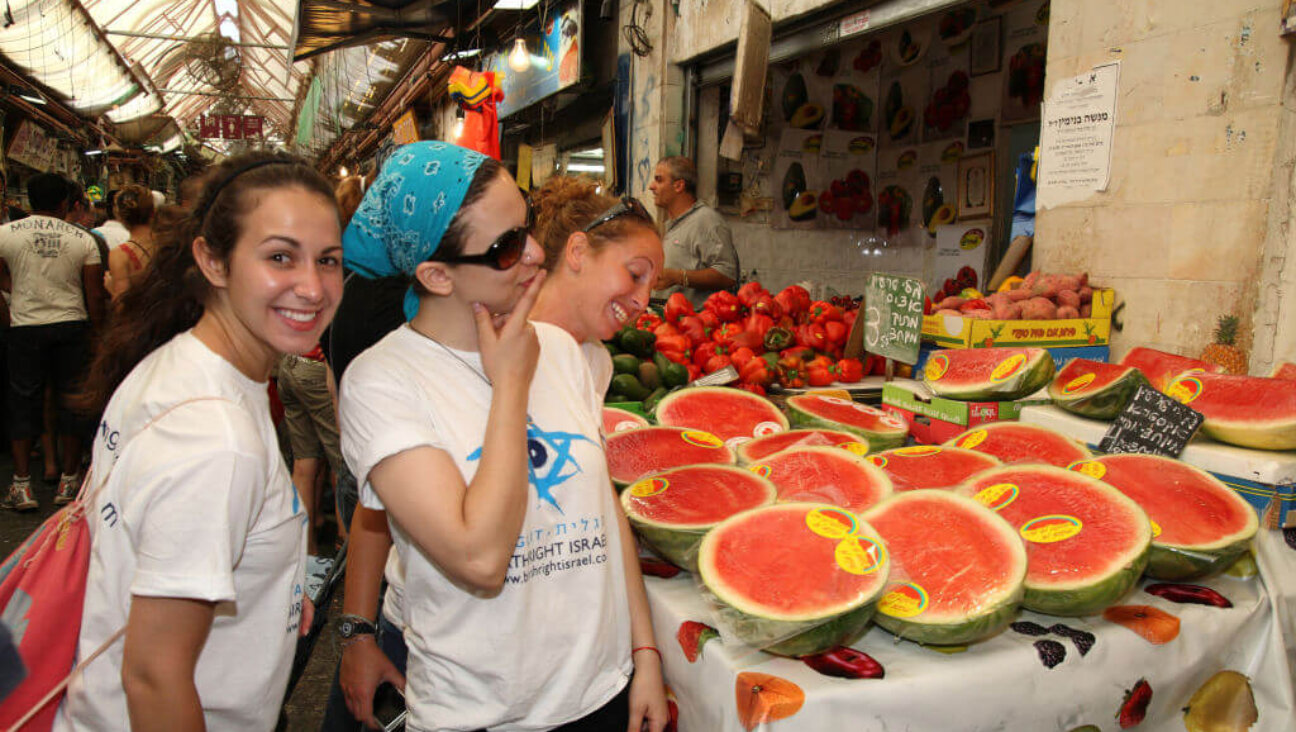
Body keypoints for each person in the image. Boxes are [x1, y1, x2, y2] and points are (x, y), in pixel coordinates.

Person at [336, 142, 668, 732]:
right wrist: (510, 385)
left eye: (528, 229)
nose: (536, 254)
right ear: (437, 275)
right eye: (507, 247)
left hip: (599, 694)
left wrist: (644, 653)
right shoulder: (382, 381)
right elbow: (481, 558)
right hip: (483, 715)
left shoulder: (565, 352)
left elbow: (602, 513)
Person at [56, 151, 342, 731]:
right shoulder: (217, 439)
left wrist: (271, 594)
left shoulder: (182, 364)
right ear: (212, 261)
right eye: (280, 257)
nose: (312, 287)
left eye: (329, 260)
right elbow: (155, 677)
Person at [0, 173, 105, 510]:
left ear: (30, 200)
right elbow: (93, 295)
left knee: (23, 401)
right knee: (70, 400)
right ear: (64, 203)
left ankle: (22, 485)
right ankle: (69, 482)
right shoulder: (82, 240)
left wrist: (12, 313)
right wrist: (99, 333)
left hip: (24, 328)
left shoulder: (4, 236)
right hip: (71, 326)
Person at [648, 155, 739, 307]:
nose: (652, 186)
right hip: (668, 321)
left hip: (695, 324)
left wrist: (678, 277)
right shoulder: (672, 224)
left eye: (659, 180)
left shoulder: (706, 220)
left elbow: (727, 274)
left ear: (679, 186)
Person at [104, 185, 157, 300]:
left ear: (119, 215)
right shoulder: (170, 244)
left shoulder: (121, 254)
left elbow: (121, 304)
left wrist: (110, 288)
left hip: (139, 316)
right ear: (153, 212)